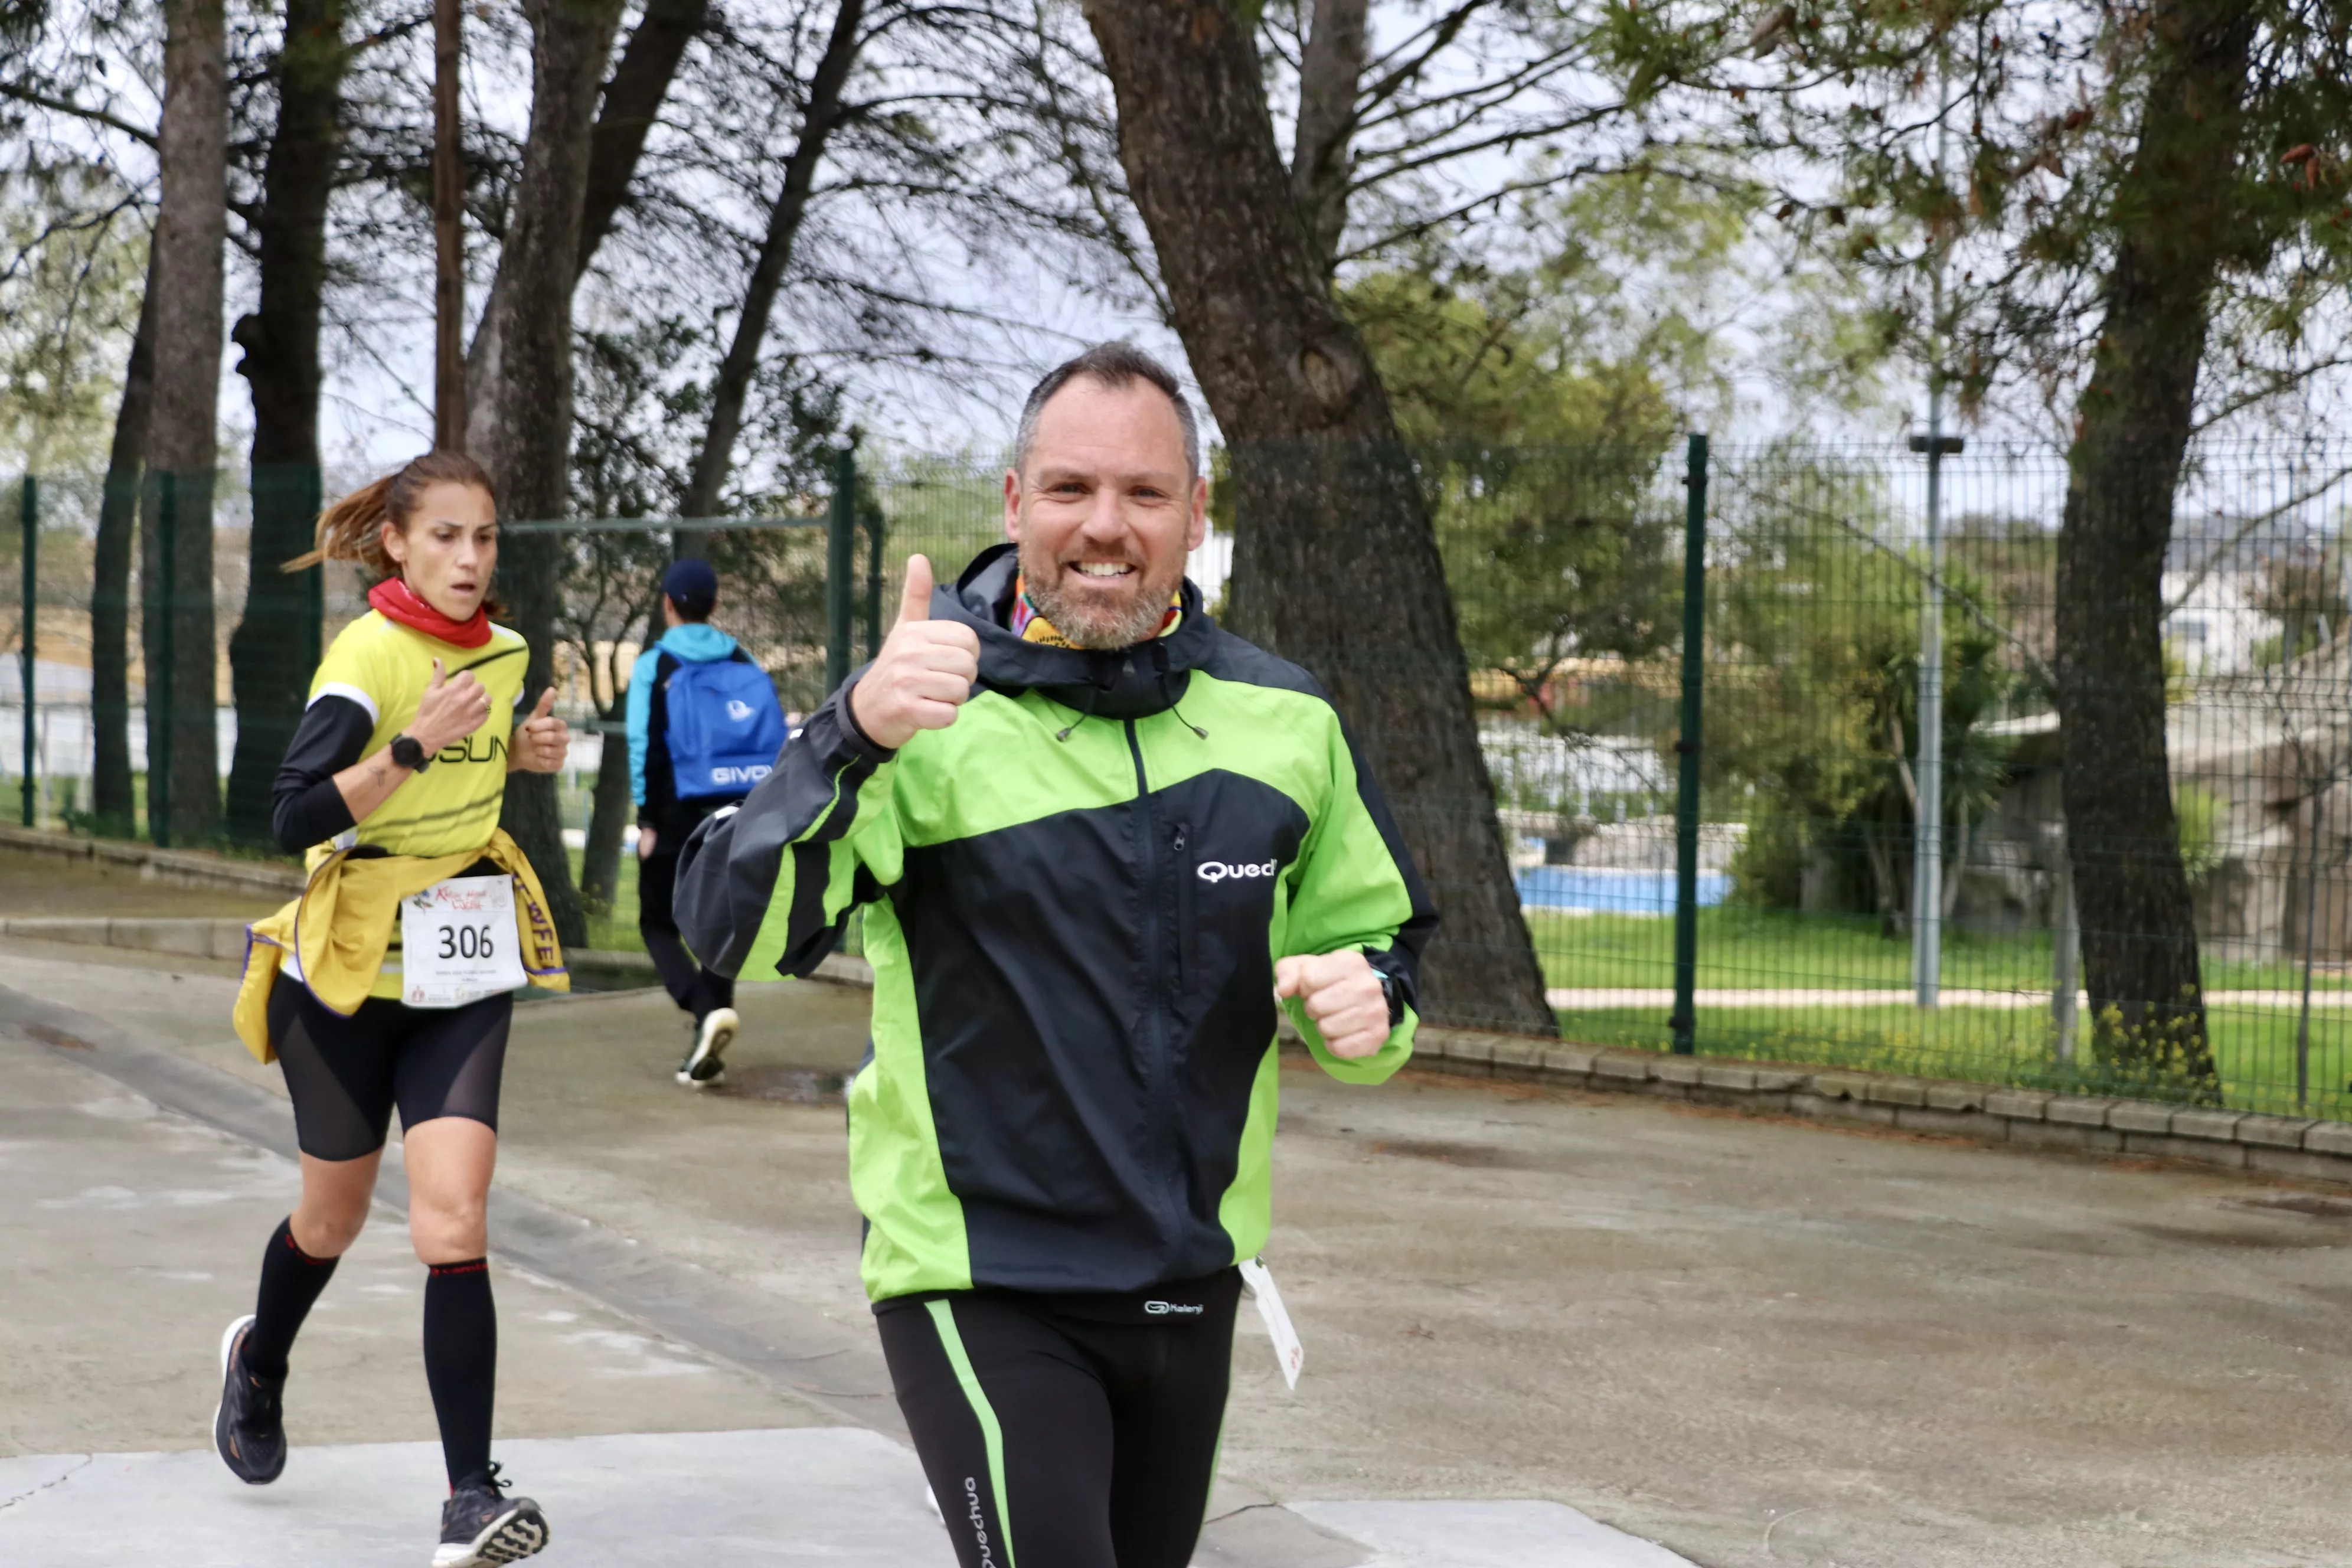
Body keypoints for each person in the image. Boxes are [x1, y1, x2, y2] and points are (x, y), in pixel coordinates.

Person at [675, 342, 1434, 1568]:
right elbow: (737, 929)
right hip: (981, 1275)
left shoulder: (1290, 721)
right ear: (1017, 503)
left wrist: (1373, 998)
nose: (1107, 525)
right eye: (1072, 489)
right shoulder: (921, 717)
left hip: (1193, 1275)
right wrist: (848, 732)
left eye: (1144, 492)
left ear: (1196, 512)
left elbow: (1374, 936)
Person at [213, 450, 572, 1568]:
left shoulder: (508, 652)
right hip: (349, 975)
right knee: (333, 1218)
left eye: (485, 539)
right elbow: (288, 815)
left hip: (460, 975)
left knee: (453, 1220)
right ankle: (260, 1362)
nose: (470, 559)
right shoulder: (367, 655)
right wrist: (411, 745)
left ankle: (471, 1494)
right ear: (401, 545)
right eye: (448, 538)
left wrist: (520, 750)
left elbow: (480, 757)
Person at [625, 556, 783, 1085]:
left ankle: (701, 1008)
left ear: (667, 604)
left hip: (675, 814)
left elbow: (643, 745)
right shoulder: (743, 659)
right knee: (720, 924)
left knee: (656, 922)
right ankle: (709, 1040)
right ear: (714, 606)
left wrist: (647, 820)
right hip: (738, 810)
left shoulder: (656, 666)